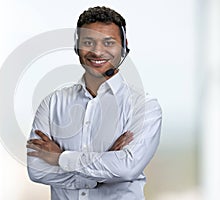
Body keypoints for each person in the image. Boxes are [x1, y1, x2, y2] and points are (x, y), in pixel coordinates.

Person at [26, 6, 162, 200]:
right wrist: (103, 170)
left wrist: (60, 158)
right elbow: (37, 170)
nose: (97, 51)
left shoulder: (145, 107)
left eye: (108, 42)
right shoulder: (52, 103)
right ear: (77, 45)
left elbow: (127, 168)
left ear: (124, 46)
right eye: (88, 42)